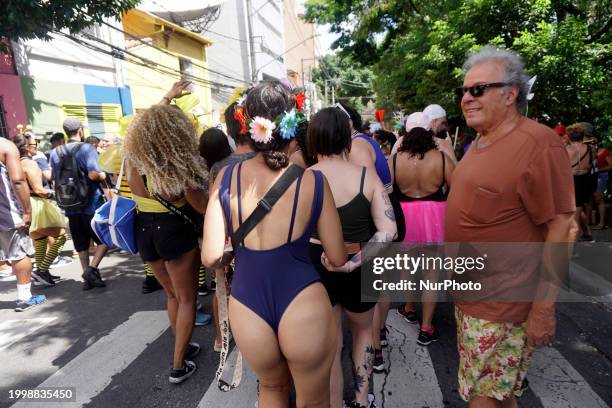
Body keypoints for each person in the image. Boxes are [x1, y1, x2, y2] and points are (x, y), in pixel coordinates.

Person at [202, 81, 346, 407]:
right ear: (293, 124)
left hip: (248, 303)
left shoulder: (225, 178)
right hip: (303, 299)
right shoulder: (312, 180)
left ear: (248, 124)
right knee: (314, 400)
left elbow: (210, 255)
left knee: (271, 388)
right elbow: (336, 256)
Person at [448, 45, 576, 408]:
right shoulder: (479, 142)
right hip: (473, 297)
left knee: (481, 397)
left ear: (510, 93)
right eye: (463, 91)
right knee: (499, 394)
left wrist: (543, 308)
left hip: (503, 303)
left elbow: (563, 228)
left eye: (477, 89)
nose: (466, 99)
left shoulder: (538, 143)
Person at [307, 107, 396, 408]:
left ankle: (334, 403)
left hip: (317, 264)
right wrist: (354, 261)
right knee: (362, 332)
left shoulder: (303, 179)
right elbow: (388, 230)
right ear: (347, 137)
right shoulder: (365, 177)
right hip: (363, 262)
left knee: (331, 344)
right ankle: (361, 398)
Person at [125, 104, 208, 383]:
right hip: (173, 231)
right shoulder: (173, 162)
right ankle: (177, 365)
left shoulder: (133, 159)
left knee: (172, 295)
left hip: (143, 228)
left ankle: (181, 346)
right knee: (186, 298)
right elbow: (200, 206)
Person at [392, 111, 455, 347]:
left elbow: (387, 190)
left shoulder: (396, 159)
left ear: (406, 132)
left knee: (407, 269)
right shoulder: (440, 158)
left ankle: (409, 307)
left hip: (405, 217)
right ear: (430, 132)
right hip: (435, 217)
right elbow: (456, 187)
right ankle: (427, 327)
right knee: (431, 274)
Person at [49, 118, 109, 290]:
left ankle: (86, 278)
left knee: (80, 242)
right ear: (80, 130)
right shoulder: (86, 148)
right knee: (104, 238)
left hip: (69, 204)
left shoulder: (55, 152)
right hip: (90, 202)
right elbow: (93, 175)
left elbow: (54, 179)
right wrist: (103, 175)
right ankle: (91, 269)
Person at [0, 137, 46, 311]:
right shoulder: (5, 146)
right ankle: (25, 297)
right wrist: (27, 210)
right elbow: (18, 180)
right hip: (6, 212)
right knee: (20, 253)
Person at [14, 134, 67, 286]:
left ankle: (43, 274)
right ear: (26, 147)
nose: (36, 145)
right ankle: (42, 270)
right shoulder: (30, 164)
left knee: (40, 239)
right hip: (37, 204)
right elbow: (38, 189)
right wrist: (56, 195)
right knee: (61, 237)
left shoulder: (16, 164)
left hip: (26, 204)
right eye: (34, 143)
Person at [566, 124, 596, 241]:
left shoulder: (565, 149)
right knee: (578, 210)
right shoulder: (591, 149)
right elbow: (590, 165)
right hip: (584, 181)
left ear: (569, 137)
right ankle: (587, 233)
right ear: (583, 136)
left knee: (574, 217)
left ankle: (571, 248)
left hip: (570, 181)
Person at [593, 136, 611, 229]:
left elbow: (610, 166)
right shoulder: (590, 151)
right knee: (591, 200)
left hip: (601, 176)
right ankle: (590, 222)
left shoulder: (605, 151)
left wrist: (598, 170)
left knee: (599, 199)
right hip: (592, 176)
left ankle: (601, 223)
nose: (594, 142)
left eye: (595, 141)